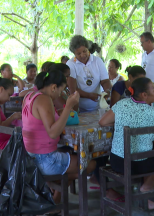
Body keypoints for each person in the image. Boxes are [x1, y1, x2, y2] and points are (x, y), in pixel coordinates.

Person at [99, 77, 154, 209]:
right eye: (153, 89)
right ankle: (148, 185)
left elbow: (102, 122)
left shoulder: (122, 104)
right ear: (144, 95)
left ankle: (150, 189)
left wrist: (122, 122)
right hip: (140, 166)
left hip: (117, 162)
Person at [22, 70, 96, 204]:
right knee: (90, 164)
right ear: (53, 87)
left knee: (71, 160)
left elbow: (40, 119)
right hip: (45, 159)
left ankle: (53, 195)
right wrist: (68, 106)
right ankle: (54, 200)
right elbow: (53, 132)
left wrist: (60, 112)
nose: (60, 94)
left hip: (29, 156)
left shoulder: (30, 96)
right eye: (61, 90)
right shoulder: (44, 99)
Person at [66, 35, 111, 112]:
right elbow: (72, 89)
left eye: (84, 51)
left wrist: (107, 91)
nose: (82, 55)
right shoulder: (71, 64)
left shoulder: (97, 61)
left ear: (88, 49)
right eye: (78, 53)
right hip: (79, 108)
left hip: (98, 107)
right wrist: (89, 96)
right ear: (74, 53)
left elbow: (105, 81)